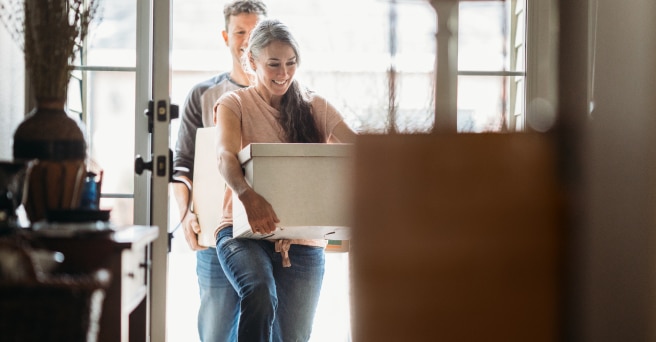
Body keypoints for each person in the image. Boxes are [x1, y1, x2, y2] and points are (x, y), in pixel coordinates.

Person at [213, 19, 357, 342]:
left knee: (293, 337)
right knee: (260, 291)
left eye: (291, 63)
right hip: (241, 232)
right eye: (273, 64)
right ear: (252, 62)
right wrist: (247, 196)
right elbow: (224, 157)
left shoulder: (313, 106)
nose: (283, 73)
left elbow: (359, 148)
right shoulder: (233, 105)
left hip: (302, 241)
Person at [171, 1, 267, 341]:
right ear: (226, 36)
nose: (247, 39)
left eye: (255, 31)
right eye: (240, 31)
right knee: (215, 332)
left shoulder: (282, 95)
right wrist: (186, 216)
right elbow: (181, 165)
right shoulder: (202, 95)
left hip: (268, 236)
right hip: (215, 237)